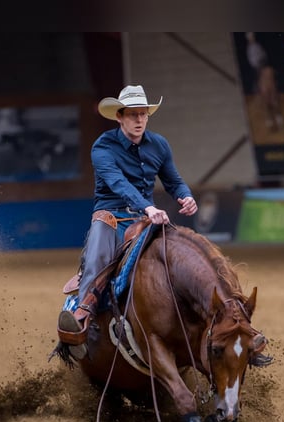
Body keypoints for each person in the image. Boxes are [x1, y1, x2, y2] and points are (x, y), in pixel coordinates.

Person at [57, 84, 198, 359]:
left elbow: (173, 180)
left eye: (143, 114)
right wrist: (148, 207)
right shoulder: (103, 146)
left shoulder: (159, 144)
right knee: (98, 258)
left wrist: (186, 196)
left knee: (181, 256)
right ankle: (83, 317)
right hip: (110, 216)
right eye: (132, 114)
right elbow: (118, 183)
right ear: (119, 116)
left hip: (145, 219)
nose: (139, 120)